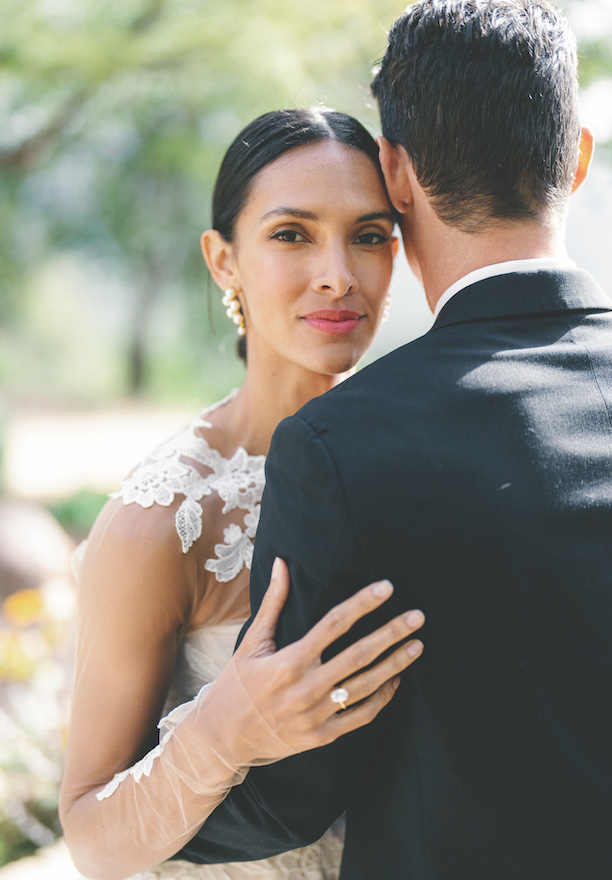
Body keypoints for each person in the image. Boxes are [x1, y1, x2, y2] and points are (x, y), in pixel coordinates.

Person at [175, 2, 612, 878]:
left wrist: (145, 807)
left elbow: (293, 793)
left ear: (398, 175)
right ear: (577, 159)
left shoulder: (339, 448)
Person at [59, 107, 427, 880]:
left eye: (369, 235)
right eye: (292, 234)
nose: (338, 272)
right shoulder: (162, 522)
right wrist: (228, 731)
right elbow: (90, 838)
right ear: (223, 261)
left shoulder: (425, 455)